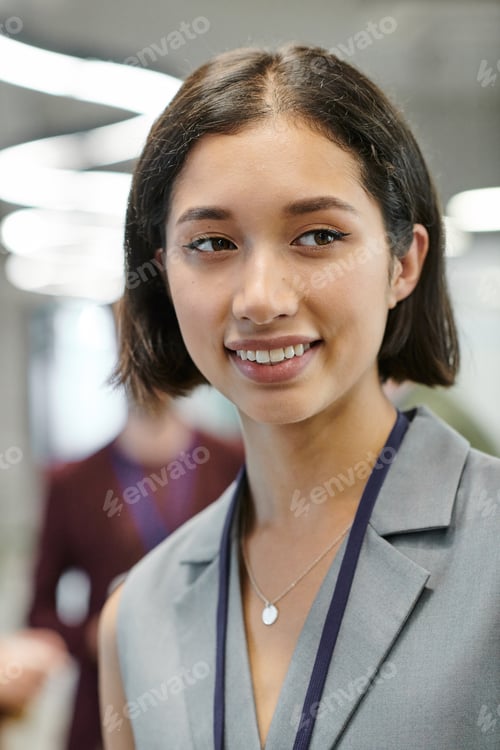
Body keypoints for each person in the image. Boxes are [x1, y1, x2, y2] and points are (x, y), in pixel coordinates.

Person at [98, 44, 500, 750]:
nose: (260, 299)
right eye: (213, 243)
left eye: (317, 236)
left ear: (403, 262)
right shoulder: (138, 615)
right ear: (162, 272)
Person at [28, 394, 243, 750]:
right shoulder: (75, 481)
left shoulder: (231, 463)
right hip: (109, 698)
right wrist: (94, 636)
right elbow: (39, 610)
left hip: (213, 687)